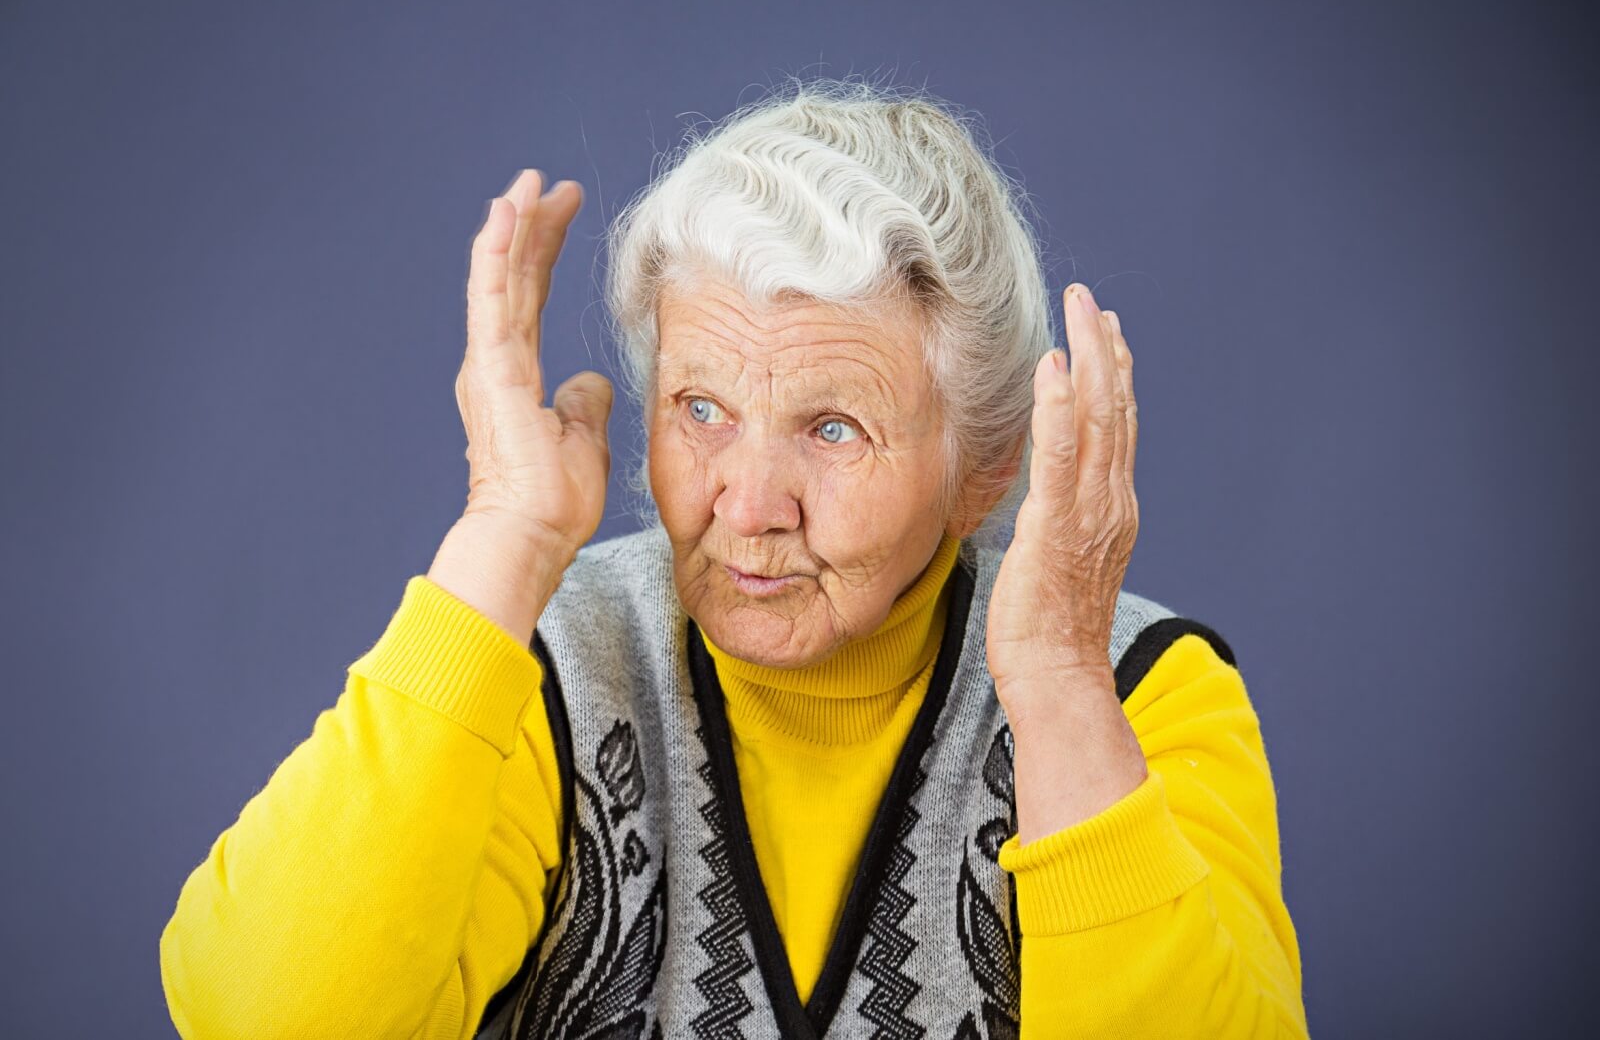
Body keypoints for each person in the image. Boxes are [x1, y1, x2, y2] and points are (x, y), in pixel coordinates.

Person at [159, 79, 1308, 1039]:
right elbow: (257, 1015)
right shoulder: (535, 670)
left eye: (832, 428)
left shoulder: (1143, 694)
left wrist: (1059, 684)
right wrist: (505, 533)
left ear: (986, 470)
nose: (747, 505)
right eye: (699, 408)